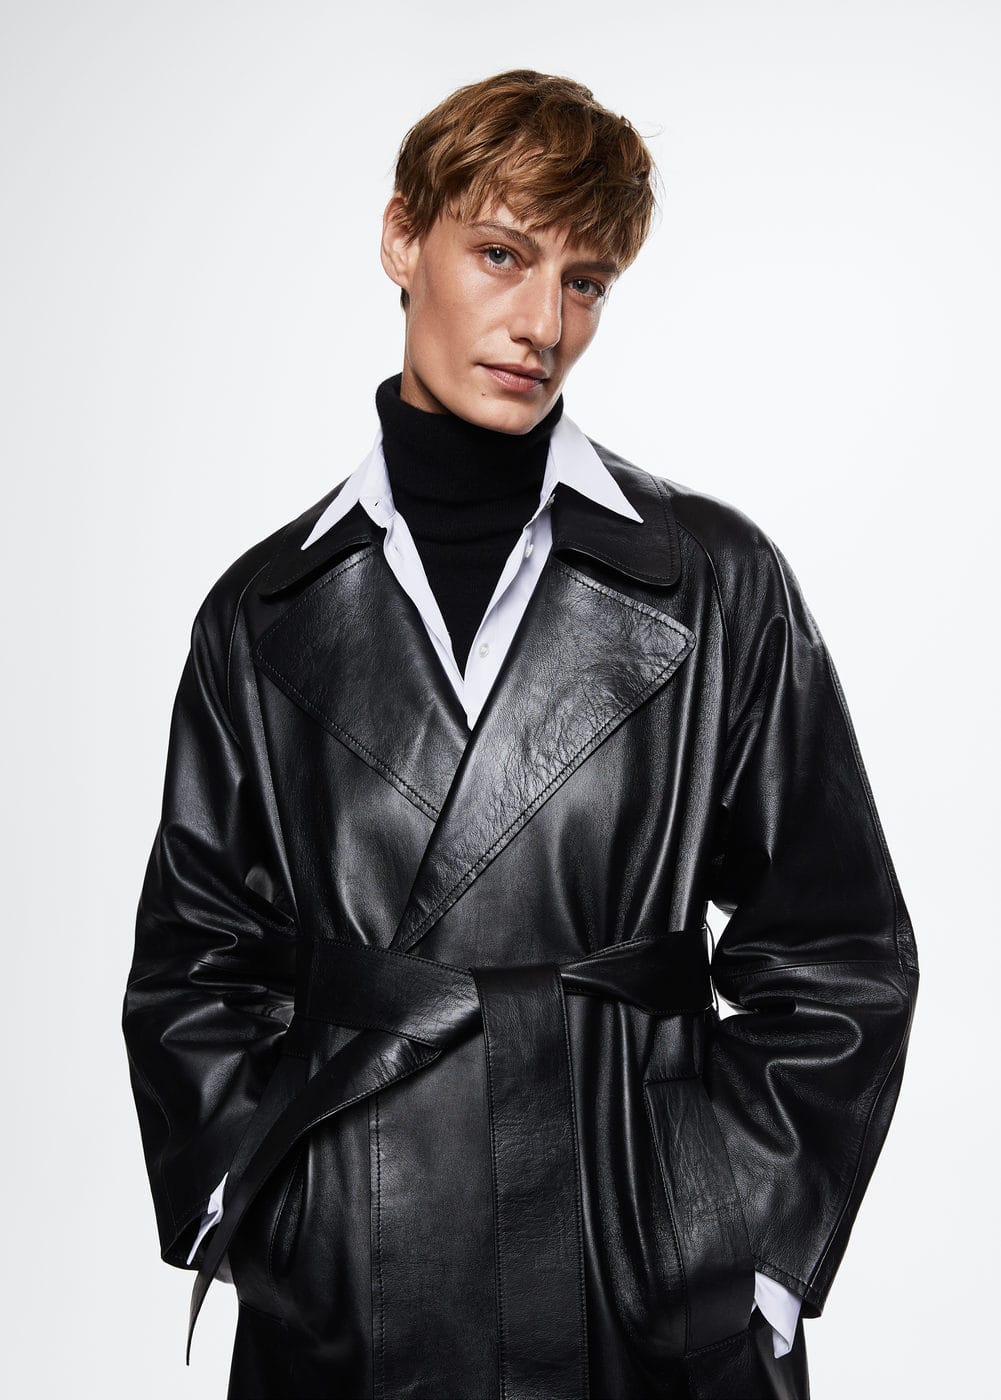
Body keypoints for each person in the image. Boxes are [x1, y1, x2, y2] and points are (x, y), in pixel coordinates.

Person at [123, 69, 918, 1400]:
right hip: (361, 1281)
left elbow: (837, 949)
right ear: (401, 238)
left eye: (584, 281)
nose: (543, 323)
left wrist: (747, 1250)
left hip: (644, 1275)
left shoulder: (715, 581)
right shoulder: (261, 615)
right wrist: (268, 1219)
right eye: (501, 254)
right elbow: (195, 966)